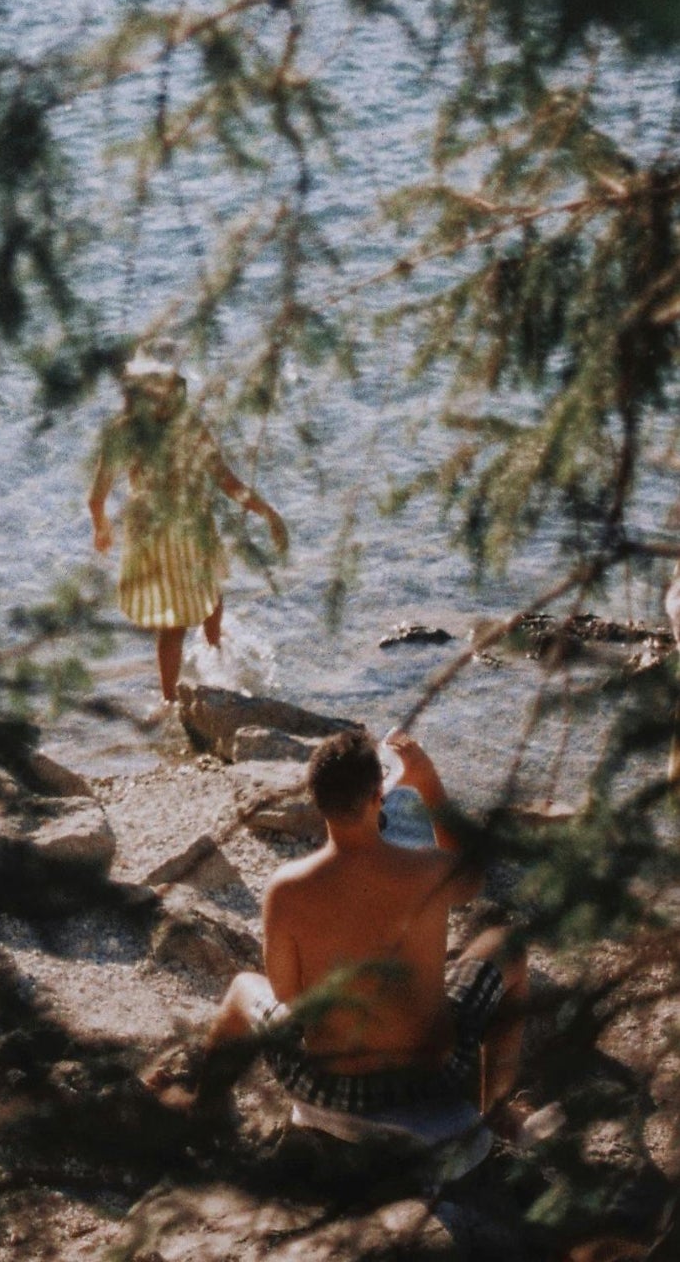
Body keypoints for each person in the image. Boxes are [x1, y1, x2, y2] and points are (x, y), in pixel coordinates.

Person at [157, 726, 525, 1129]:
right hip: (433, 1077)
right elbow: (471, 878)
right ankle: (498, 1109)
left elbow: (288, 997)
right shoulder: (428, 869)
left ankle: (206, 1105)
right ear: (377, 795)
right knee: (506, 945)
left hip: (329, 1086)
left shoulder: (287, 887)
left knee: (245, 987)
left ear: (317, 802)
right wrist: (428, 783)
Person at [88, 342, 288, 702]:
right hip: (174, 530)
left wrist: (101, 526)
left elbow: (96, 496)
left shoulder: (128, 431)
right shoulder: (185, 427)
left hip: (166, 529)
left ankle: (213, 660)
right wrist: (268, 513)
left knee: (204, 596)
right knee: (177, 620)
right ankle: (173, 699)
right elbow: (227, 482)